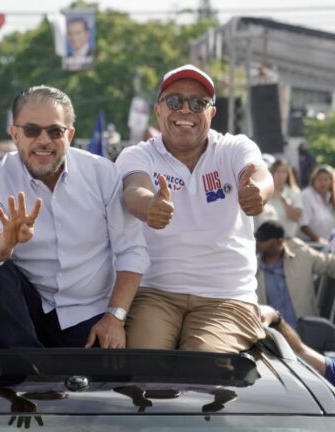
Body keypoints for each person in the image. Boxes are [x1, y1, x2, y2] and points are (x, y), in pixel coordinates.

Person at [0, 85, 149, 349]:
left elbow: (132, 250)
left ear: (70, 135)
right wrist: (6, 240)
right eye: (32, 130)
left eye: (55, 131)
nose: (44, 140)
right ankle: (27, 367)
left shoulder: (102, 174)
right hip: (28, 315)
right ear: (15, 134)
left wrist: (114, 317)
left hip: (89, 314)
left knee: (103, 384)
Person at [115, 64, 273, 353]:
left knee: (202, 369)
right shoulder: (138, 155)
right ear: (158, 110)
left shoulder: (233, 147)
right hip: (155, 293)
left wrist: (257, 192)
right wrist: (149, 205)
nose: (185, 110)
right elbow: (133, 188)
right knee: (144, 368)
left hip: (226, 297)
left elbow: (258, 174)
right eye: (175, 101)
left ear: (211, 112)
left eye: (198, 103)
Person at [255, 221, 335, 326]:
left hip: (304, 335)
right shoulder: (252, 268)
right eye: (257, 239)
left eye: (263, 240)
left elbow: (332, 264)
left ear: (279, 242)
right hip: (271, 338)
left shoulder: (300, 254)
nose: (257, 243)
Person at [299, 165, 335, 244]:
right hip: (308, 243)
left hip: (328, 242)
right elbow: (303, 224)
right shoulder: (307, 195)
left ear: (331, 181)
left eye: (326, 180)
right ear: (314, 180)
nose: (323, 183)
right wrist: (318, 239)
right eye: (319, 180)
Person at [264, 158, 303, 238]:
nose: (280, 175)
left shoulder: (295, 193)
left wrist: (283, 199)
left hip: (287, 238)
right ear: (272, 172)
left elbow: (296, 217)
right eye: (277, 171)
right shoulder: (264, 191)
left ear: (288, 174)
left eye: (284, 172)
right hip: (265, 239)